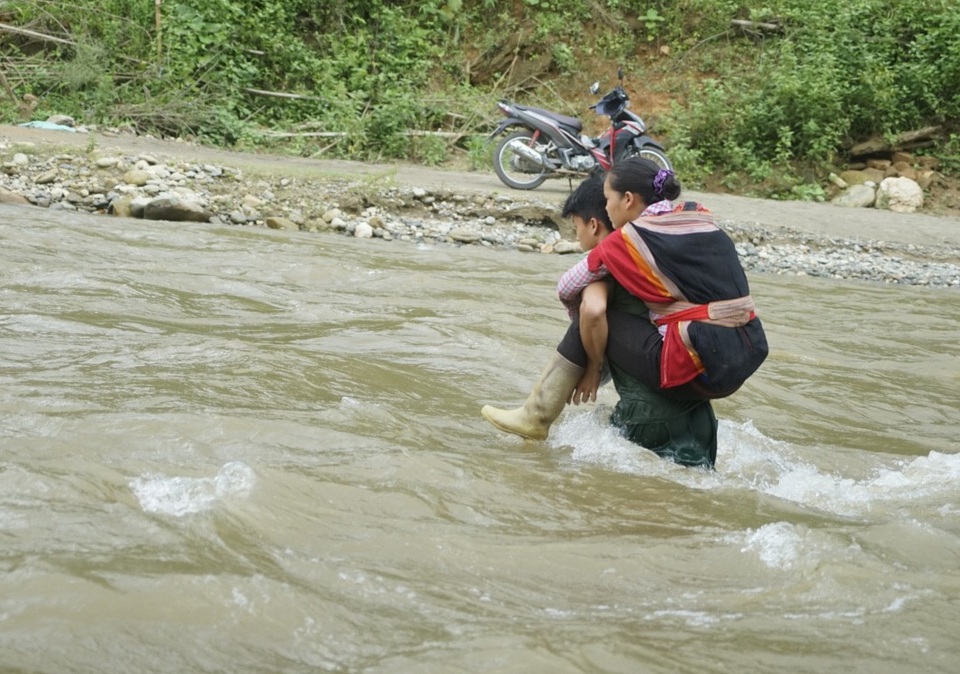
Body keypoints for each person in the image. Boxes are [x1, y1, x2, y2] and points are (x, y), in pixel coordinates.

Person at [481, 174, 720, 468]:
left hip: (650, 418)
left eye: (576, 226)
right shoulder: (661, 263)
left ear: (593, 224)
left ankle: (536, 414)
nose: (575, 234)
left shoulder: (607, 271)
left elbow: (593, 310)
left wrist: (593, 368)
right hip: (700, 418)